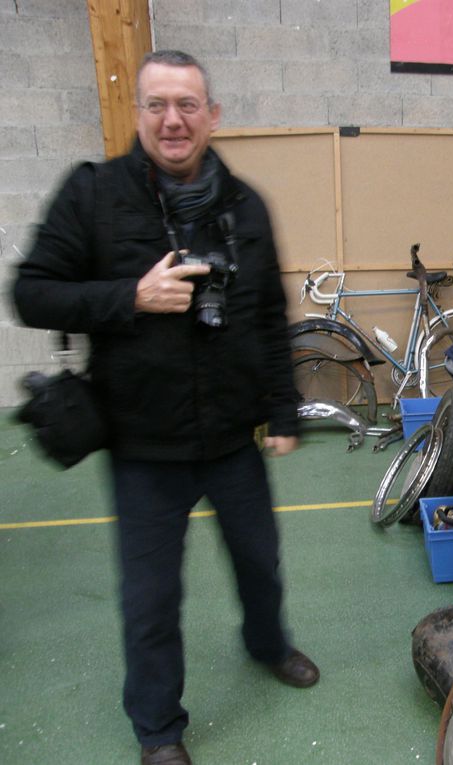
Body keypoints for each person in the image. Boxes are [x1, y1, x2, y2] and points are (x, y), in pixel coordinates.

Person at [12, 50, 318, 765]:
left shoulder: (244, 205)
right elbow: (30, 291)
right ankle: (158, 728)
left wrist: (282, 411)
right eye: (157, 104)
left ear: (211, 116)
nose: (172, 119)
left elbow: (271, 314)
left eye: (187, 104)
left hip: (232, 440)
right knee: (151, 599)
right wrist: (129, 297)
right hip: (142, 445)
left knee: (260, 564)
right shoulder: (92, 194)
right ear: (139, 113)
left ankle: (267, 644)